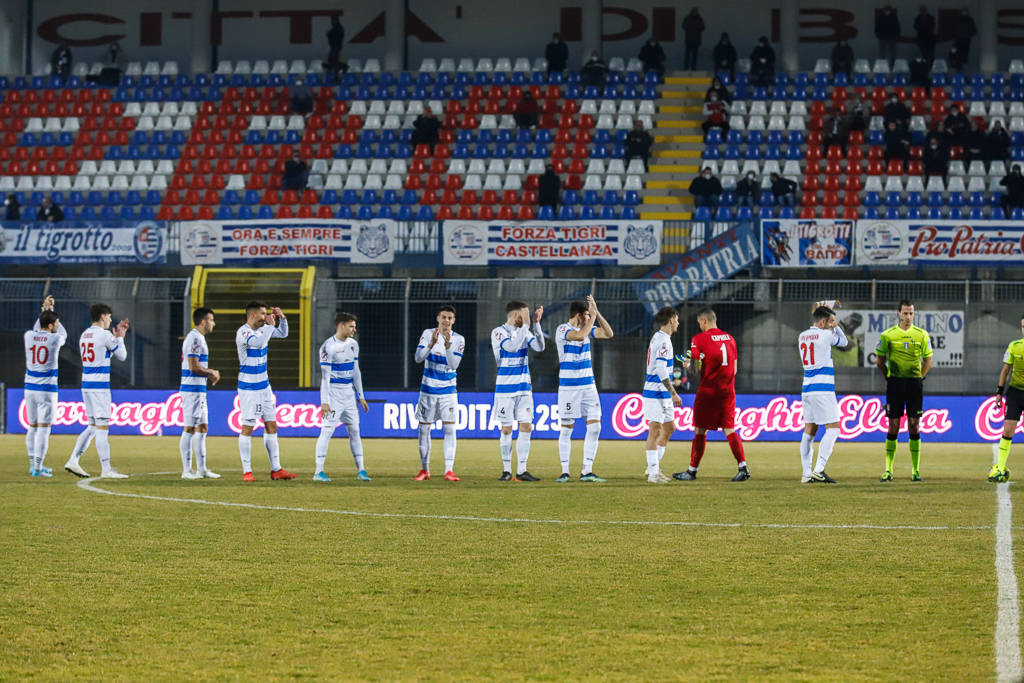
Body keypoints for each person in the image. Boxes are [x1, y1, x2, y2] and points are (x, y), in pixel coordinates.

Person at [674, 308, 749, 482]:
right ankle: (743, 467)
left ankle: (692, 471)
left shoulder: (698, 339)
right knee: (729, 429)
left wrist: (687, 364)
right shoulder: (730, 339)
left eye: (699, 323)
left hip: (708, 391)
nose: (699, 326)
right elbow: (735, 369)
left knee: (700, 430)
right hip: (728, 391)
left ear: (704, 321)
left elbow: (693, 369)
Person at [63, 303, 130, 479]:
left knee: (92, 426)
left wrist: (115, 341)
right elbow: (123, 356)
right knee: (102, 428)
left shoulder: (85, 334)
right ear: (102, 316)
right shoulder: (105, 335)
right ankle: (106, 469)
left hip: (86, 384)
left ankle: (73, 460)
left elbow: (104, 354)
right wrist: (121, 338)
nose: (110, 320)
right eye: (108, 316)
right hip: (100, 388)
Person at [556, 296, 614, 483]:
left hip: (588, 386)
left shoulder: (587, 329)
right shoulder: (563, 329)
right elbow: (580, 336)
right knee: (566, 430)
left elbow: (609, 334)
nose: (589, 319)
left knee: (595, 427)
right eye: (587, 315)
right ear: (579, 315)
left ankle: (587, 471)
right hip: (569, 388)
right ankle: (565, 471)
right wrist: (591, 319)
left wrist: (598, 314)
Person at [235, 301, 296, 481]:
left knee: (271, 425)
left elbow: (283, 334)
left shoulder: (264, 329)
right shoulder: (244, 332)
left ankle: (276, 469)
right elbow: (259, 342)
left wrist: (282, 318)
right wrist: (270, 326)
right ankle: (247, 471)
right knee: (248, 427)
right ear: (252, 315)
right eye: (262, 314)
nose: (265, 317)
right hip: (249, 388)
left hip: (265, 386)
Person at [876, 299, 932, 482]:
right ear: (898, 313)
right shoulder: (887, 335)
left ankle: (915, 470)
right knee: (893, 425)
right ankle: (888, 470)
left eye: (911, 313)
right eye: (905, 313)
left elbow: (928, 360)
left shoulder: (922, 335)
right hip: (895, 385)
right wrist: (889, 378)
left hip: (914, 385)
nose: (908, 317)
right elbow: (880, 361)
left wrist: (920, 377)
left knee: (914, 425)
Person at [490, 301, 545, 482]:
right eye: (525, 314)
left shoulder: (525, 330)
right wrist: (527, 327)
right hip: (505, 389)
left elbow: (539, 347)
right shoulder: (498, 332)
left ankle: (522, 470)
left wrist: (536, 324)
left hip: (524, 388)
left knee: (526, 427)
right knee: (506, 429)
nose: (526, 318)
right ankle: (506, 470)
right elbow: (511, 347)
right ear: (515, 315)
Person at [797, 302, 851, 483]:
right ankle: (819, 470)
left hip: (807, 388)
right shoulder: (826, 335)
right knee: (834, 429)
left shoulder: (802, 336)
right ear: (822, 322)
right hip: (823, 389)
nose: (833, 325)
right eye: (831, 322)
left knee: (809, 430)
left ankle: (806, 474)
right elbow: (844, 342)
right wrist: (837, 328)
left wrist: (831, 324)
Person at [314, 312, 370, 482]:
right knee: (327, 431)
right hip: (334, 394)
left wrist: (361, 396)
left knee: (355, 431)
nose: (354, 329)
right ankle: (318, 471)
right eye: (351, 326)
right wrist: (325, 402)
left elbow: (356, 372)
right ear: (341, 325)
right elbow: (325, 377)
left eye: (355, 326)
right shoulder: (327, 347)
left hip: (349, 395)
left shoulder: (353, 344)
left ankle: (361, 470)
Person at [413, 306, 465, 482]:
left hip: (448, 392)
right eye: (444, 317)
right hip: (428, 390)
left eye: (450, 318)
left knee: (449, 429)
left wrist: (448, 345)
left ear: (454, 321)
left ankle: (449, 470)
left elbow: (454, 365)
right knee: (424, 429)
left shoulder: (459, 339)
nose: (446, 321)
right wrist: (430, 344)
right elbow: (418, 358)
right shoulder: (428, 334)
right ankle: (424, 470)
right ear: (438, 318)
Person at [24, 296, 66, 477]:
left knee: (32, 427)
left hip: (29, 388)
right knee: (44, 429)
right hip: (47, 390)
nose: (57, 325)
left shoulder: (28, 335)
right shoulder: (55, 340)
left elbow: (38, 328)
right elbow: (63, 334)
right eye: (55, 323)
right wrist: (48, 313)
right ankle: (39, 468)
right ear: (50, 326)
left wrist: (45, 312)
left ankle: (33, 465)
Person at [179, 307, 221, 480]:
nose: (213, 323)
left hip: (199, 390)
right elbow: (193, 367)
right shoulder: (195, 338)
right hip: (192, 391)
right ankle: (186, 470)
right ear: (203, 322)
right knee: (189, 428)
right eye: (211, 320)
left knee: (203, 427)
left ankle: (202, 469)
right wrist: (212, 372)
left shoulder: (198, 338)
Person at [642, 306, 681, 484]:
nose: (678, 322)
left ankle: (653, 466)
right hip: (655, 392)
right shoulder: (664, 341)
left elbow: (664, 366)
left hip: (662, 393)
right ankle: (653, 473)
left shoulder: (660, 338)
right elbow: (659, 368)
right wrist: (673, 392)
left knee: (669, 428)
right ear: (672, 319)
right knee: (655, 429)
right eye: (677, 319)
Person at [990, 315, 1024, 483]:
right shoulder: (1014, 346)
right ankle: (1000, 468)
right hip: (1016, 393)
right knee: (1008, 431)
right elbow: (1005, 370)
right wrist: (999, 392)